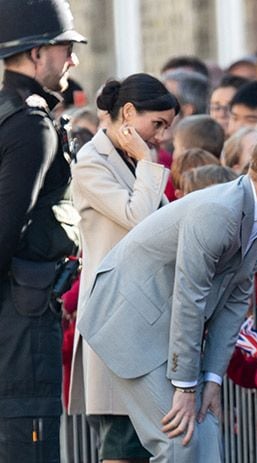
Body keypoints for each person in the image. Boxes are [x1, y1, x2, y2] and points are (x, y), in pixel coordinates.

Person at [77, 126, 257, 462]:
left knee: (205, 437)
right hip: (130, 320)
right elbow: (189, 297)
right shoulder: (217, 212)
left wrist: (211, 378)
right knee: (179, 441)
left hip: (168, 323)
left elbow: (236, 299)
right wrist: (184, 386)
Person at [69, 73, 179, 463]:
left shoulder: (137, 162)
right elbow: (141, 220)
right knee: (121, 445)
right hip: (114, 320)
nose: (161, 137)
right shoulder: (90, 163)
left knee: (147, 444)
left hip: (147, 320)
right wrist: (148, 163)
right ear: (129, 113)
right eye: (158, 125)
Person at [0, 1, 85, 461]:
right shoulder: (31, 125)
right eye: (66, 48)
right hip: (19, 323)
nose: (73, 60)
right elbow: (5, 231)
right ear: (37, 54)